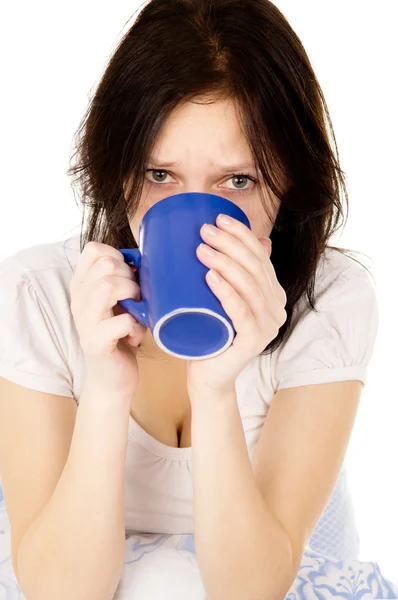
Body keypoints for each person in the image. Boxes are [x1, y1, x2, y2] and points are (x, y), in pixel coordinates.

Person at [0, 1, 379, 599]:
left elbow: (250, 590)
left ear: (291, 180)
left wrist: (215, 385)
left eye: (238, 181)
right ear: (117, 169)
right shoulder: (37, 292)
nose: (201, 223)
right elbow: (60, 592)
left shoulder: (330, 300)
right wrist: (104, 384)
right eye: (159, 175)